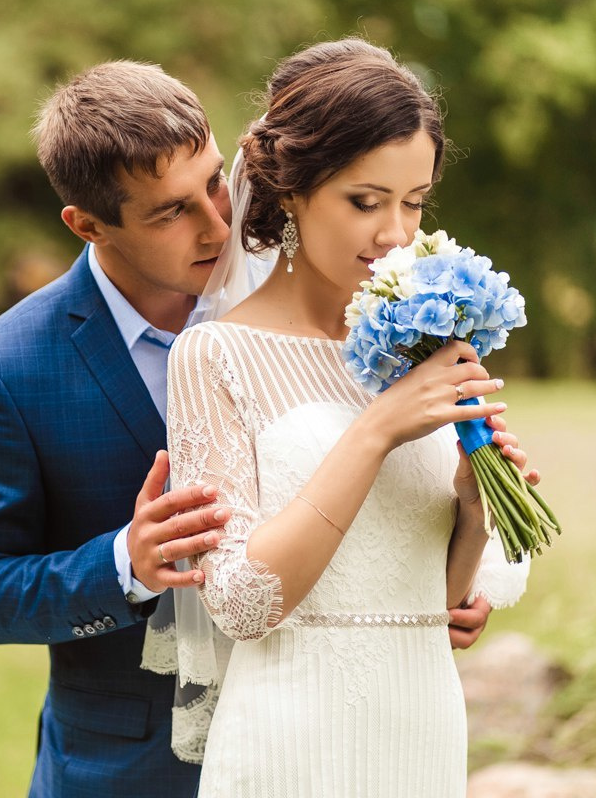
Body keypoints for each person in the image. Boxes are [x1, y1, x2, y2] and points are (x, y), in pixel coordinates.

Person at [0, 57, 518, 798]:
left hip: (365, 734)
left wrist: (440, 569)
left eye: (215, 180)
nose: (220, 223)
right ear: (88, 224)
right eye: (170, 211)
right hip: (134, 768)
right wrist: (125, 565)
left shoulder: (359, 303)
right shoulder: (5, 369)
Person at [143, 39, 536, 796]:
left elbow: (438, 602)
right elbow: (242, 603)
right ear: (290, 191)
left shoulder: (426, 346)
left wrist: (474, 507)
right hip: (292, 739)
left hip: (422, 728)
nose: (396, 233)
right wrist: (377, 429)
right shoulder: (215, 356)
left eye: (414, 201)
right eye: (366, 200)